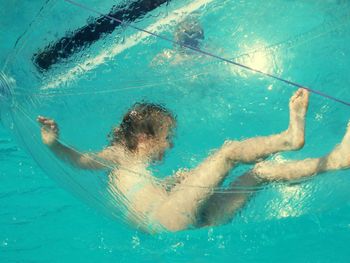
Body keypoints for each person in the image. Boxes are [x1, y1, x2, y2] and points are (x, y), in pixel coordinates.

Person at [37, 88, 350, 232]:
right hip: (167, 218)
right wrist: (54, 144)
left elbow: (140, 196)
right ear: (144, 138)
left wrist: (174, 182)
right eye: (166, 138)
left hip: (185, 223)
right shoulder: (119, 154)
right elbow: (81, 160)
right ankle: (289, 139)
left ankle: (336, 160)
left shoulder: (132, 170)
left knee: (260, 173)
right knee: (227, 153)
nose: (170, 146)